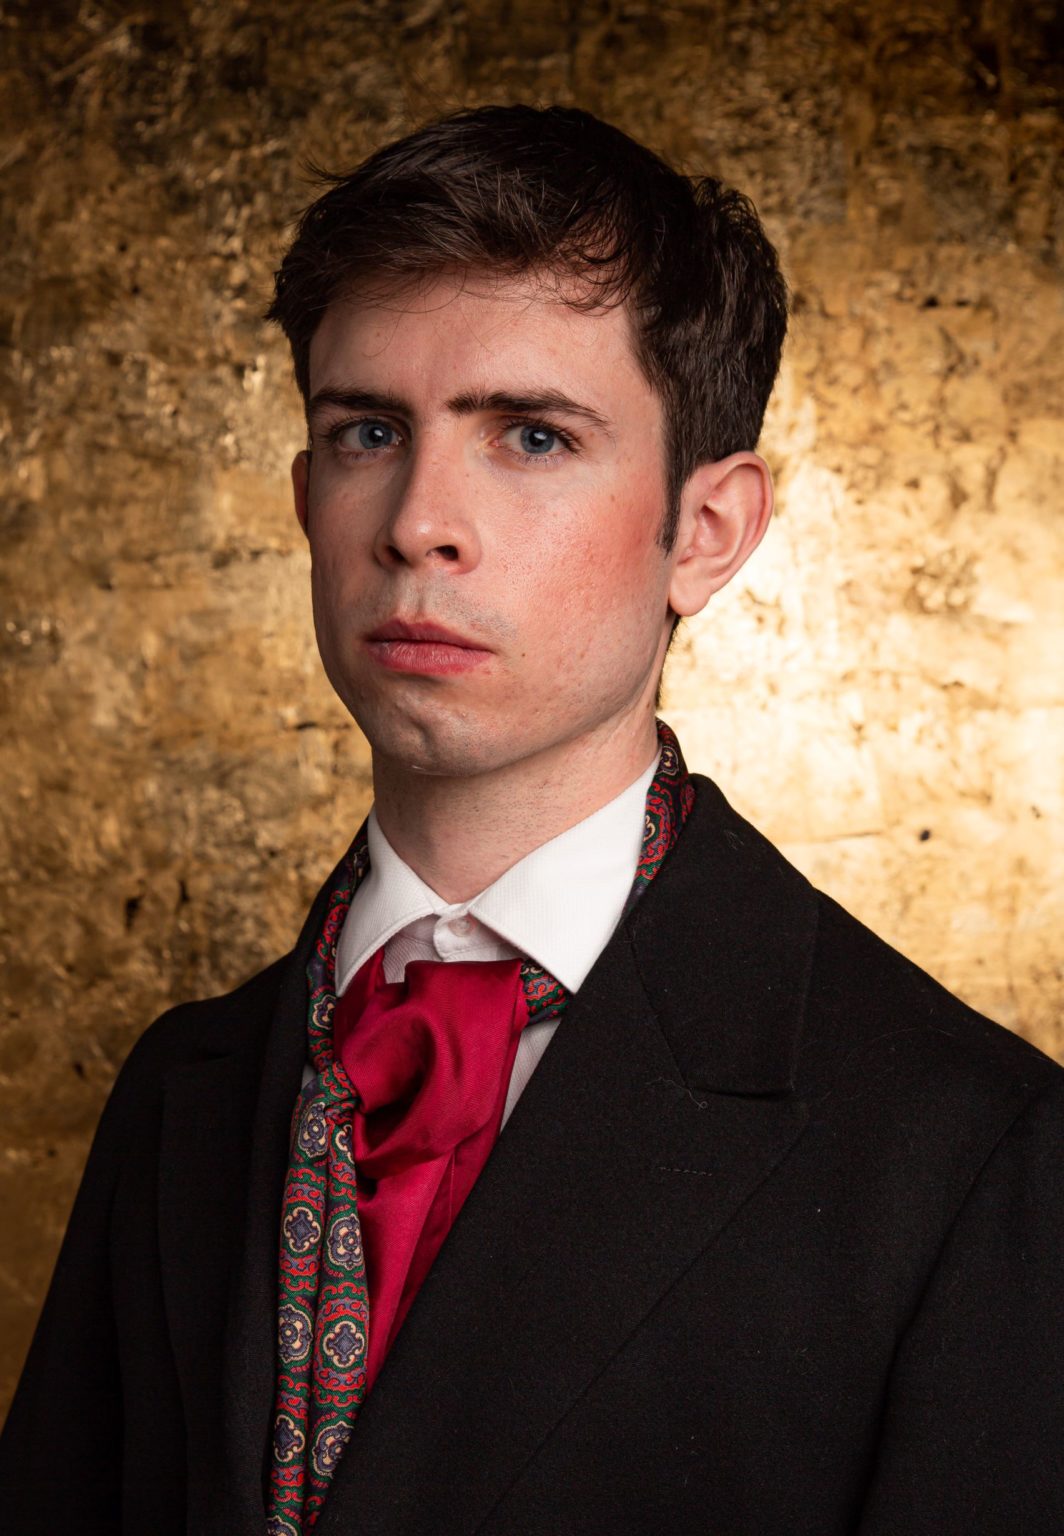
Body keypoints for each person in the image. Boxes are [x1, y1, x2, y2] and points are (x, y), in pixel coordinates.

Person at [1, 103, 1061, 1536]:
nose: (417, 522)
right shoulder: (182, 1089)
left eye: (534, 437)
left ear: (706, 534)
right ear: (306, 498)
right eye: (369, 431)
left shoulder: (967, 1148)